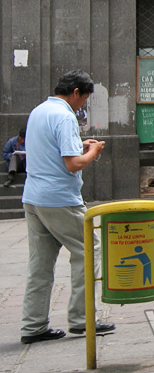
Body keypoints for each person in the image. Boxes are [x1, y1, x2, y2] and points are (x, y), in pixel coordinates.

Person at [20, 70, 115, 344]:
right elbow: (73, 164)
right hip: (59, 198)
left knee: (40, 264)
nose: (82, 105)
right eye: (83, 100)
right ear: (76, 93)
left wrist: (80, 144)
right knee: (89, 249)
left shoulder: (39, 111)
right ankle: (82, 319)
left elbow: (49, 148)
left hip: (34, 197)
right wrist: (93, 152)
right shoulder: (65, 116)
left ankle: (33, 325)